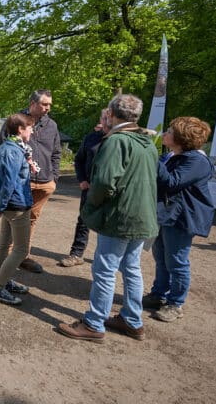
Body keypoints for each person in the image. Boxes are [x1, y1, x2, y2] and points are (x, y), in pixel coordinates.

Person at [57, 94, 158, 342]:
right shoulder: (147, 142)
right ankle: (132, 320)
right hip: (142, 217)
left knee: (105, 270)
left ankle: (93, 324)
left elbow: (103, 182)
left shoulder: (116, 141)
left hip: (119, 217)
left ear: (111, 114)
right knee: (132, 268)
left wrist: (92, 206)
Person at [142, 117, 214, 323]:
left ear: (182, 137)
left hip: (182, 218)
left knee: (177, 261)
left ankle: (175, 304)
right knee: (162, 257)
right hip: (168, 215)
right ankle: (158, 294)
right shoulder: (177, 157)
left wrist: (151, 153)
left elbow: (172, 183)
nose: (165, 133)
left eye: (170, 131)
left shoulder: (196, 160)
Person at [0, 89, 61, 273]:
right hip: (21, 183)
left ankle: (23, 256)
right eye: (44, 104)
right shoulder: (15, 121)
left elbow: (56, 153)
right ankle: (8, 262)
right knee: (14, 221)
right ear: (32, 103)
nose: (48, 108)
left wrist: (54, 178)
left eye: (49, 104)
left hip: (44, 182)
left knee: (32, 220)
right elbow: (2, 149)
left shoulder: (52, 126)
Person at [0, 113, 36, 305]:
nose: (32, 130)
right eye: (30, 127)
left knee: (3, 243)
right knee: (21, 250)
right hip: (16, 204)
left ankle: (3, 281)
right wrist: (1, 203)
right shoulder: (13, 151)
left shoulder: (5, 148)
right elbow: (8, 182)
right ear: (20, 130)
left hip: (10, 204)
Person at [59, 109, 108, 267]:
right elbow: (79, 159)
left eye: (109, 117)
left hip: (110, 190)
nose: (106, 120)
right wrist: (81, 179)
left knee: (107, 223)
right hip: (89, 188)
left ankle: (105, 258)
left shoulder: (118, 140)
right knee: (83, 221)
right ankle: (76, 254)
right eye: (104, 117)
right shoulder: (91, 138)